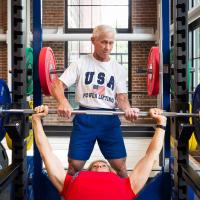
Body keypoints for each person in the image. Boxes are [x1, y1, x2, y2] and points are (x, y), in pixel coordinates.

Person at [51, 24, 139, 177]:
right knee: (74, 166)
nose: (108, 47)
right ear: (93, 40)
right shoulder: (81, 63)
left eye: (111, 43)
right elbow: (57, 85)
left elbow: (122, 98)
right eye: (104, 42)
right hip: (85, 117)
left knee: (121, 167)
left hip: (109, 119)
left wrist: (128, 110)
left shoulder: (118, 69)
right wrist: (63, 102)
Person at [32, 105, 167, 200]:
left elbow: (150, 156)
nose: (98, 166)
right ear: (86, 172)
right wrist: (36, 120)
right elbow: (46, 153)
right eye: (96, 166)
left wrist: (161, 123)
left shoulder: (127, 185)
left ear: (112, 173)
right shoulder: (69, 183)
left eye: (102, 165)